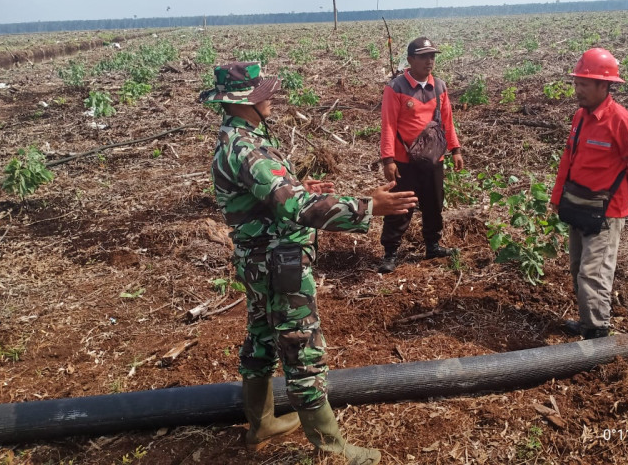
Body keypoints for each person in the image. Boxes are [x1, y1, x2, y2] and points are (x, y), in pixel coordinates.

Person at [199, 62, 418, 465]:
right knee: (301, 348)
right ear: (245, 101)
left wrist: (300, 187)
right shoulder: (248, 149)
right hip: (277, 263)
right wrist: (369, 206)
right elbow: (299, 208)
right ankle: (331, 450)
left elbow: (276, 196)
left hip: (257, 261)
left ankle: (260, 424)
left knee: (262, 338)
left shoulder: (240, 137)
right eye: (264, 92)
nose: (271, 97)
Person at [549, 48, 628, 340]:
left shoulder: (621, 121)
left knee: (593, 274)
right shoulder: (580, 117)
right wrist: (557, 197)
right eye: (576, 83)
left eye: (583, 84)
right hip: (578, 204)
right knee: (577, 268)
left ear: (603, 85)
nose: (577, 89)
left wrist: (621, 195)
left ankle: (597, 334)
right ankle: (587, 322)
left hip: (605, 211)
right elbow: (568, 159)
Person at [378, 36, 464, 273]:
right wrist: (388, 159)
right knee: (400, 206)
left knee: (434, 204)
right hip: (404, 162)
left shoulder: (439, 86)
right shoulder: (396, 88)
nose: (430, 61)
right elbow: (388, 126)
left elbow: (447, 121)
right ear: (410, 59)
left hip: (435, 158)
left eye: (432, 56)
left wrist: (455, 150)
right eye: (424, 56)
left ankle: (433, 245)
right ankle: (390, 252)